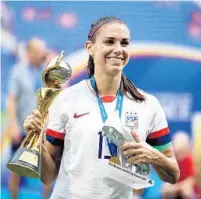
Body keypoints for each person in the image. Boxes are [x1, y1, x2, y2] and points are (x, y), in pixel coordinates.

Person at [23, 16, 180, 199]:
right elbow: (48, 176)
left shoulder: (148, 104)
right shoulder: (67, 99)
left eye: (124, 43)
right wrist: (37, 141)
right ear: (90, 47)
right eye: (109, 42)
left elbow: (173, 174)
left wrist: (153, 155)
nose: (118, 49)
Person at [6, 38, 52, 199]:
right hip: (22, 127)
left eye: (43, 51)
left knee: (46, 167)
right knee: (16, 168)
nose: (41, 54)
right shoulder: (18, 71)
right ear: (28, 52)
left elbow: (58, 92)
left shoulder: (47, 72)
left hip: (42, 129)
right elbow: (11, 100)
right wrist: (12, 126)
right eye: (38, 51)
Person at [162, 131, 200, 199]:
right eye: (176, 144)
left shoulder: (190, 160)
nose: (177, 148)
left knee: (187, 191)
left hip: (187, 188)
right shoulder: (171, 160)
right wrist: (173, 187)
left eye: (180, 145)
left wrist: (178, 187)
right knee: (165, 190)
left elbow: (190, 181)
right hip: (176, 186)